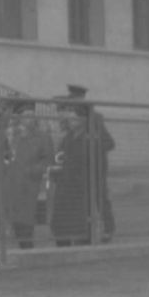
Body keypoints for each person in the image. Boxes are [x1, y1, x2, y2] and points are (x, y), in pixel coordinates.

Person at [48, 96, 112, 247]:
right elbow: (60, 159)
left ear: (84, 118)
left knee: (81, 226)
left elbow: (104, 147)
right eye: (68, 114)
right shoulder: (68, 137)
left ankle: (94, 238)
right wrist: (55, 170)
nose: (69, 117)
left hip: (80, 187)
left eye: (73, 114)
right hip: (65, 187)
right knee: (62, 227)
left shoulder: (91, 136)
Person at [0, 99, 54, 250]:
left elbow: (48, 160)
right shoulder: (12, 135)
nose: (30, 117)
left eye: (32, 114)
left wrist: (34, 170)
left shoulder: (42, 137)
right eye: (26, 114)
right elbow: (3, 155)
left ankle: (27, 250)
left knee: (27, 222)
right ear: (19, 117)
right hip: (12, 183)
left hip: (30, 184)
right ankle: (22, 248)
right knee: (15, 221)